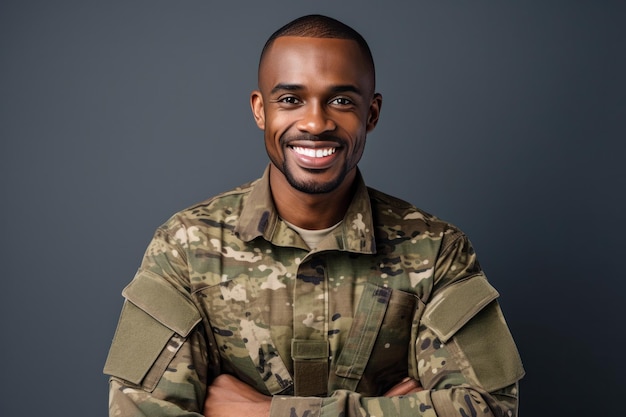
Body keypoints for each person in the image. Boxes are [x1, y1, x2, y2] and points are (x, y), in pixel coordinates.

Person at [104, 14, 525, 417]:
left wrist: (265, 413)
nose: (315, 122)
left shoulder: (437, 251)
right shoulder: (186, 247)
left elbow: (491, 408)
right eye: (290, 99)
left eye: (341, 100)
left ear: (371, 113)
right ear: (260, 109)